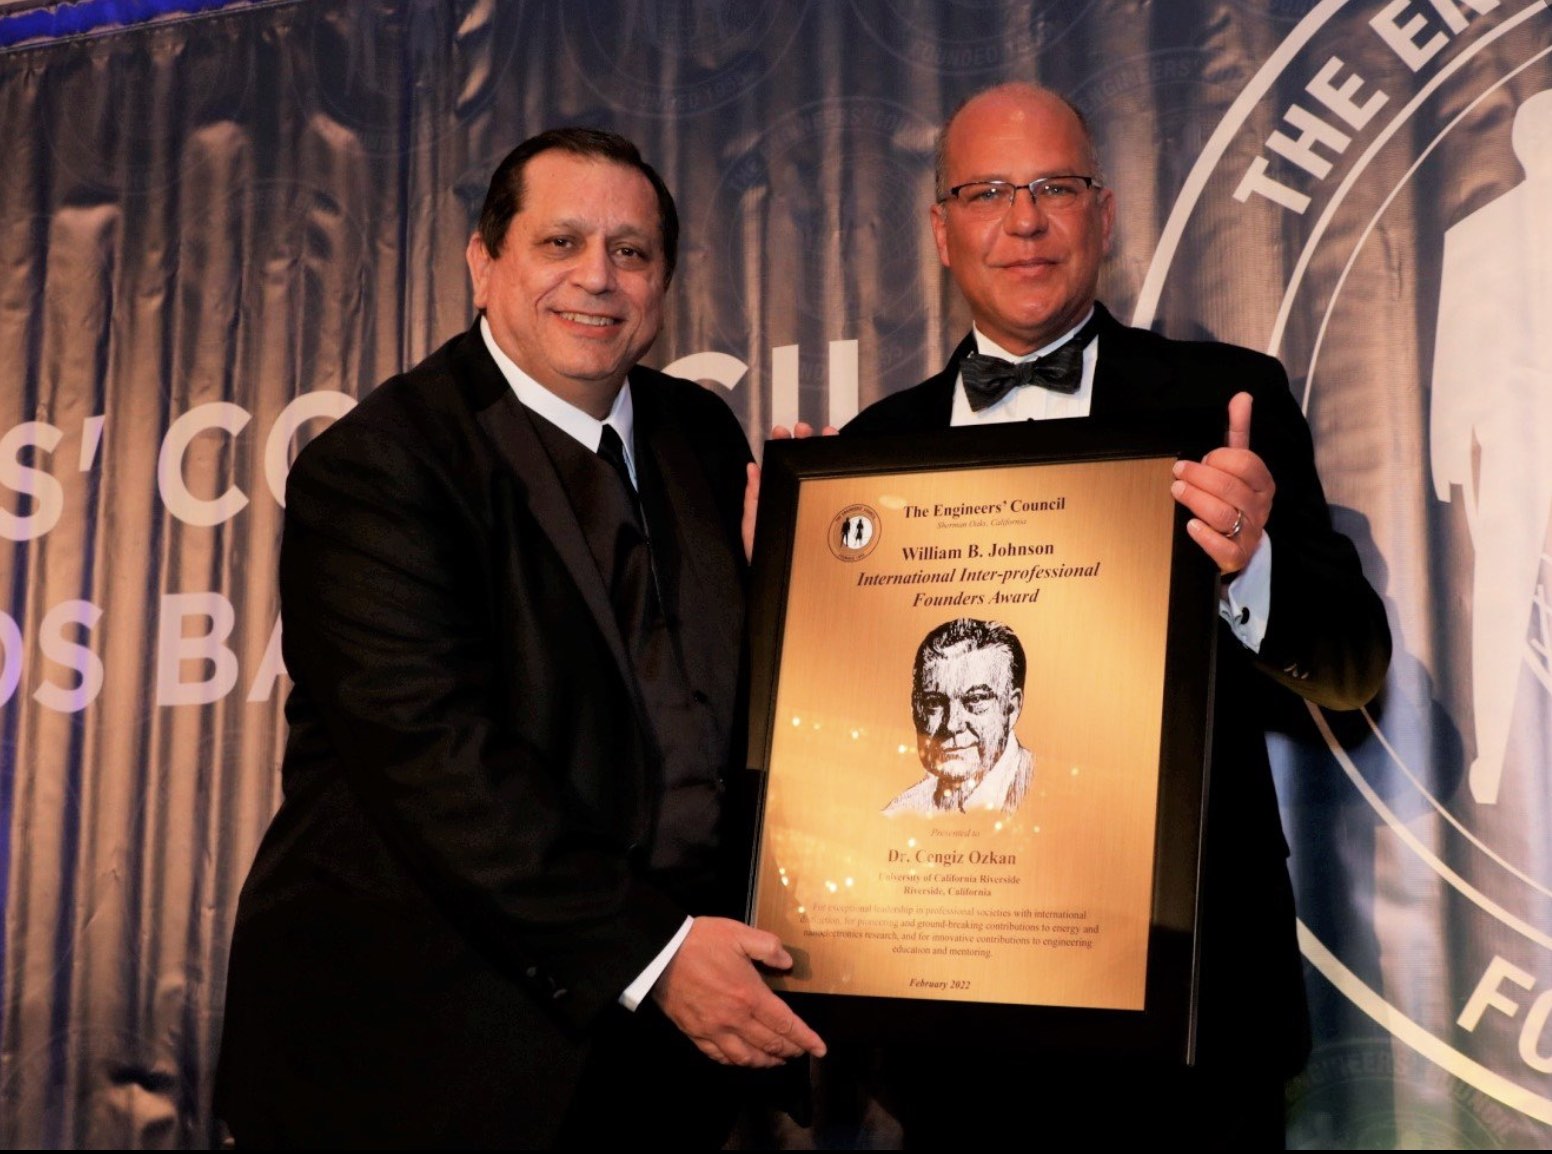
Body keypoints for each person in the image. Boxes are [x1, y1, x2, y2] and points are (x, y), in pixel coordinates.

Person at [214, 127, 823, 1149]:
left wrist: (797, 596)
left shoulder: (701, 434)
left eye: (631, 251)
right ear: (483, 263)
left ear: (664, 284)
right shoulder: (380, 466)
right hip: (431, 1057)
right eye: (561, 242)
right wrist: (656, 954)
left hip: (669, 1052)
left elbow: (703, 713)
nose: (599, 276)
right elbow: (437, 761)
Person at [842, 83, 1391, 1146]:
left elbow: (1352, 664)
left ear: (1103, 214)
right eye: (987, 192)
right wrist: (788, 592)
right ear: (941, 230)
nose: (1024, 220)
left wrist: (1250, 565)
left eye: (1055, 187)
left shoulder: (1226, 401)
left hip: (1190, 1024)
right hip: (949, 1032)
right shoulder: (872, 448)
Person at [884, 617, 1032, 816]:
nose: (952, 724)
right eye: (934, 702)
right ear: (916, 709)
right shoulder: (899, 814)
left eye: (976, 699)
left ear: (1011, 708)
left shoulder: (1049, 794)